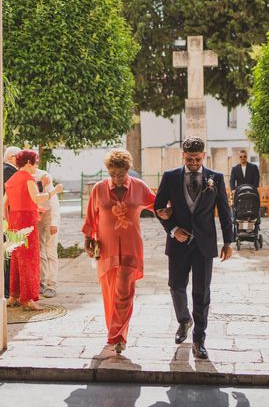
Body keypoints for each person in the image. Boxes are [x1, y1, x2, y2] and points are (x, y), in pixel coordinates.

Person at [154, 137, 233, 360]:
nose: (193, 162)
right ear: (183, 156)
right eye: (189, 159)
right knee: (176, 287)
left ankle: (199, 339)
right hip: (178, 244)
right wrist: (172, 229)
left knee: (202, 293)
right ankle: (184, 320)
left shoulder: (215, 178)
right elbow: (158, 207)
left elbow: (225, 212)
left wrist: (228, 242)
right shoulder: (170, 177)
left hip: (204, 244)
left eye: (197, 159)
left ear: (203, 156)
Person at [82, 149, 156, 354]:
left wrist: (170, 209)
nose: (116, 178)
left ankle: (118, 336)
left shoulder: (139, 187)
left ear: (128, 170)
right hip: (106, 248)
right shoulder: (98, 189)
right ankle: (115, 332)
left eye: (120, 174)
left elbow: (157, 205)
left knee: (124, 292)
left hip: (131, 246)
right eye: (112, 174)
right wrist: (88, 238)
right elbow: (91, 216)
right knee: (109, 293)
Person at [4, 150, 63, 311]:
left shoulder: (11, 179)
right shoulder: (28, 178)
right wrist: (54, 191)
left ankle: (14, 296)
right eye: (36, 163)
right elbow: (36, 198)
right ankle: (28, 299)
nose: (36, 166)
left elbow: (4, 204)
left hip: (14, 221)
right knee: (30, 259)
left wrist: (9, 220)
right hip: (26, 221)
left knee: (16, 258)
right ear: (28, 163)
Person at [34, 167, 60, 298]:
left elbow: (54, 200)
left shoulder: (43, 175)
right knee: (39, 250)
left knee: (50, 250)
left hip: (49, 214)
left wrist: (54, 222)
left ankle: (52, 284)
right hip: (37, 214)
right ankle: (41, 282)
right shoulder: (24, 174)